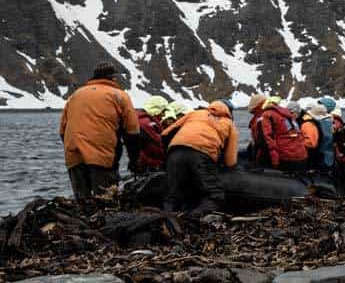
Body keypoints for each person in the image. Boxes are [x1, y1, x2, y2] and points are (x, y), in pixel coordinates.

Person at [59, 62, 141, 200]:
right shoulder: (119, 96)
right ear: (113, 78)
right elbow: (132, 132)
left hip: (73, 153)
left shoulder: (75, 95)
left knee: (82, 201)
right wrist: (134, 160)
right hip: (101, 155)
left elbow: (62, 130)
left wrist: (72, 146)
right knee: (105, 199)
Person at [161, 100, 238, 215]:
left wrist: (169, 153)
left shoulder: (195, 114)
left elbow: (166, 133)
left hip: (175, 151)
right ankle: (192, 217)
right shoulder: (229, 124)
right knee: (215, 196)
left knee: (172, 196)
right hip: (202, 154)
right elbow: (230, 161)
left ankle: (166, 219)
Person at [259, 96, 309, 172]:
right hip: (301, 157)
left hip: (287, 158)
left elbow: (267, 139)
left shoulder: (268, 115)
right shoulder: (290, 118)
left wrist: (275, 161)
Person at [132, 95, 169, 173]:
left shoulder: (142, 119)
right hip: (150, 166)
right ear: (156, 109)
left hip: (147, 163)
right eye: (163, 111)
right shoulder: (146, 123)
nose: (164, 115)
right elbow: (158, 144)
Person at [301, 104, 335, 171]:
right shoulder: (330, 123)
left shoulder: (318, 124)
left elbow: (313, 143)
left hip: (320, 157)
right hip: (330, 157)